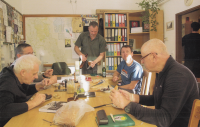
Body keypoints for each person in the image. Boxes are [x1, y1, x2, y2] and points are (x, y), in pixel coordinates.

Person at [110, 39, 199, 127]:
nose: (142, 62)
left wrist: (127, 105)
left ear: (153, 56)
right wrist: (132, 97)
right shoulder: (162, 71)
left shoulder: (178, 76)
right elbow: (156, 98)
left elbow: (164, 119)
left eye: (143, 58)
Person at [0, 55, 50, 127]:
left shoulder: (15, 75)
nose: (36, 77)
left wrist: (38, 86)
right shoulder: (7, 82)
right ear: (23, 72)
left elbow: (21, 91)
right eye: (34, 73)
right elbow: (3, 110)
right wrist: (33, 103)